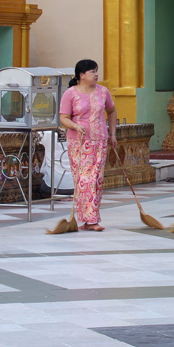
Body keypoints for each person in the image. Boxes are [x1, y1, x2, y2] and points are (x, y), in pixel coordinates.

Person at [59, 59, 118, 231]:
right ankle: (89, 220)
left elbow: (112, 111)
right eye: (92, 71)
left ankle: (90, 219)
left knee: (97, 179)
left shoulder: (103, 92)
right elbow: (63, 117)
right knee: (84, 180)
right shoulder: (70, 94)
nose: (96, 74)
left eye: (96, 70)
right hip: (79, 143)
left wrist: (112, 133)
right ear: (82, 75)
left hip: (99, 141)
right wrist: (75, 126)